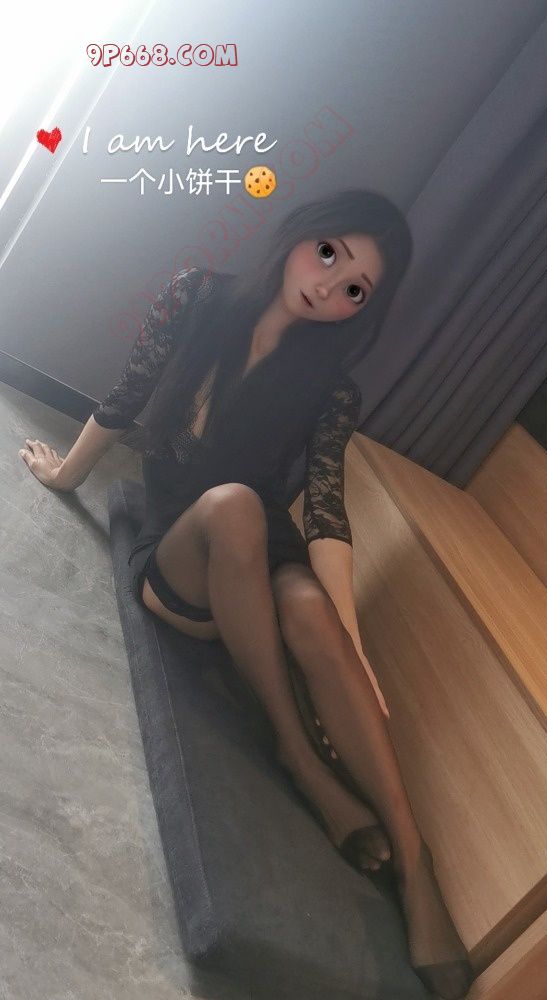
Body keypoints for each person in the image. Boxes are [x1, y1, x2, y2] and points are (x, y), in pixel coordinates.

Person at [19, 188, 474, 999]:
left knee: (306, 605)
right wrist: (65, 476)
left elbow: (325, 515)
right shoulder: (195, 295)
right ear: (300, 235)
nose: (328, 285)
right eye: (328, 254)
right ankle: (297, 752)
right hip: (182, 548)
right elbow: (127, 396)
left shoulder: (331, 389)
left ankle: (414, 860)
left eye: (355, 288)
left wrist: (351, 644)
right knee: (231, 505)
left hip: (261, 545)